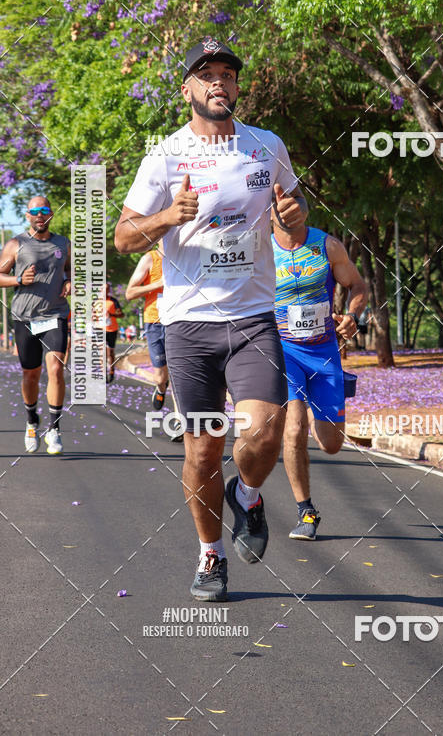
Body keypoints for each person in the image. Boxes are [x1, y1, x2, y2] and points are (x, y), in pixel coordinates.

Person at [115, 37, 307, 601]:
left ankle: (247, 494)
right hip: (188, 322)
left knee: (265, 428)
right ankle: (210, 555)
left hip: (253, 315)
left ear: (236, 85)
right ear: (188, 90)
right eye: (206, 74)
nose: (218, 82)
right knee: (202, 449)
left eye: (226, 72)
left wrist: (293, 219)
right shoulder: (165, 155)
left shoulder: (265, 145)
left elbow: (291, 225)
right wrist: (170, 215)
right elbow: (125, 237)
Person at [272, 215, 367, 540]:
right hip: (283, 350)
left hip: (324, 351)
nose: (288, 212)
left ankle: (317, 408)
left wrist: (353, 315)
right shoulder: (258, 249)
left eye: (295, 203)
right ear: (269, 213)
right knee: (294, 427)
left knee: (331, 444)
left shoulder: (327, 245)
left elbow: (357, 284)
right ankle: (306, 511)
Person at [0, 196, 71, 454]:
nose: (40, 215)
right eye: (35, 212)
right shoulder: (16, 244)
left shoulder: (63, 243)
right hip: (25, 317)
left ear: (50, 214)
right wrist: (19, 278)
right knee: (31, 373)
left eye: (44, 211)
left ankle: (54, 429)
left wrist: (68, 281)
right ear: (28, 215)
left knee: (56, 367)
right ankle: (32, 422)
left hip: (55, 314)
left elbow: (70, 269)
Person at [125, 242, 168, 409]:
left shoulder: (184, 256)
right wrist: (158, 284)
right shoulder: (150, 259)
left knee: (181, 375)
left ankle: (180, 422)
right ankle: (161, 387)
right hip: (155, 322)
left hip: (180, 321)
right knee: (159, 377)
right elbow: (129, 293)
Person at [103, 283, 123, 382]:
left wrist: (111, 315)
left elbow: (121, 314)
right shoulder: (95, 302)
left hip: (112, 329)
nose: (105, 291)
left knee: (110, 352)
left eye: (107, 289)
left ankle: (111, 370)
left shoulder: (113, 301)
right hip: (99, 330)